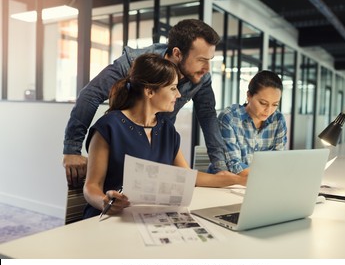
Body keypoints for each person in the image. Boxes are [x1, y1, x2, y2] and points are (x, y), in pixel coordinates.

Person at [63, 19, 228, 187]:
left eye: (210, 59)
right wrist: (72, 149)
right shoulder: (135, 62)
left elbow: (208, 117)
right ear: (177, 53)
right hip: (127, 146)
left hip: (160, 147)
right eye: (201, 59)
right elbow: (90, 95)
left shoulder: (201, 78)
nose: (207, 68)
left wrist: (219, 166)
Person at [83, 53, 246, 218]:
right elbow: (91, 187)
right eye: (173, 88)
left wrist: (238, 180)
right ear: (150, 91)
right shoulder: (108, 126)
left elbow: (189, 177)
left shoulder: (167, 129)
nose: (179, 95)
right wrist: (105, 201)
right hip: (109, 219)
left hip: (148, 219)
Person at [218, 70, 287, 177]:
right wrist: (267, 177)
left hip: (263, 183)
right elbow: (234, 166)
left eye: (275, 104)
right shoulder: (230, 118)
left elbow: (277, 160)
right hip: (228, 183)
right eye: (263, 103)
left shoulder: (278, 120)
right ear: (249, 96)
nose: (268, 111)